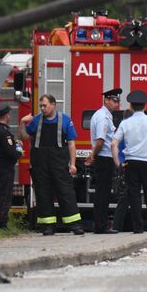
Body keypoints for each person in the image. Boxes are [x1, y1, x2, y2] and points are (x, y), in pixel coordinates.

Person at [19, 94, 84, 235]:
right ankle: (48, 226)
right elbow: (24, 137)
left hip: (59, 164)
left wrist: (72, 164)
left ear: (53, 105)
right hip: (40, 165)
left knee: (65, 192)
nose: (42, 108)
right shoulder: (36, 120)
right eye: (41, 106)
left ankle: (74, 225)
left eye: (45, 105)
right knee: (43, 194)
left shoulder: (65, 120)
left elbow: (72, 144)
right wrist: (22, 123)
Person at [111, 90, 147, 236]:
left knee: (134, 195)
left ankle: (138, 227)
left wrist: (118, 163)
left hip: (131, 163)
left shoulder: (125, 123)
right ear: (145, 105)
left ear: (130, 106)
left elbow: (114, 144)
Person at [85, 88, 122, 234]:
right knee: (102, 193)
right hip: (103, 158)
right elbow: (100, 141)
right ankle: (100, 226)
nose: (116, 104)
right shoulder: (102, 117)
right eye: (114, 101)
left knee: (104, 192)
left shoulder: (106, 116)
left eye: (117, 101)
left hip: (104, 158)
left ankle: (101, 225)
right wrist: (93, 156)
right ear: (106, 100)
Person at [0, 104, 23, 230]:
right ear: (7, 115)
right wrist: (19, 148)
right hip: (6, 168)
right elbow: (12, 153)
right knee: (4, 195)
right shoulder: (4, 132)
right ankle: (2, 223)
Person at [112, 109, 133, 232]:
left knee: (125, 197)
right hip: (128, 164)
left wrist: (119, 163)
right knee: (126, 197)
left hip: (123, 164)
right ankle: (118, 226)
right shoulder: (127, 128)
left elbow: (116, 147)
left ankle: (118, 225)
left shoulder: (120, 128)